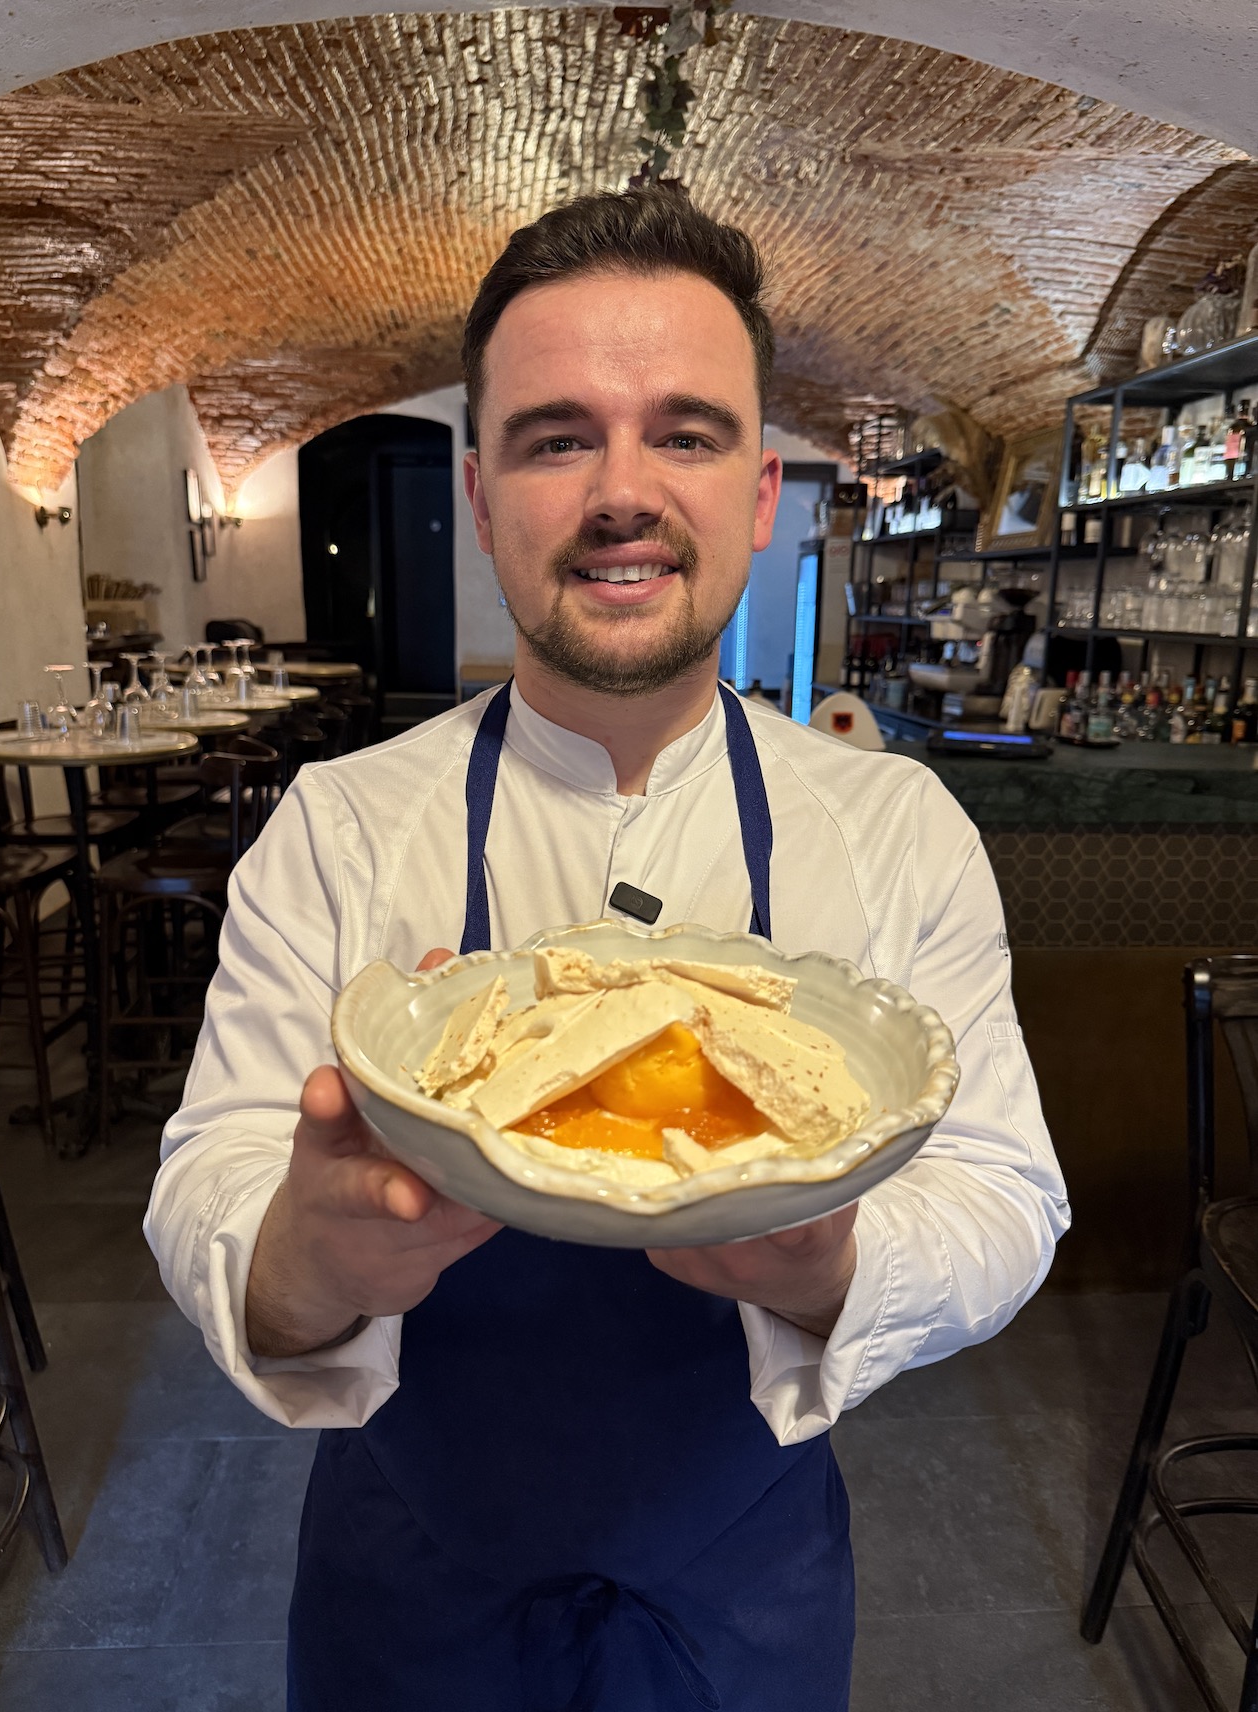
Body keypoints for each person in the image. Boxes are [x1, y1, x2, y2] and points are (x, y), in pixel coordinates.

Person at [147, 188, 1069, 1711]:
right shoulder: (338, 826)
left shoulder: (896, 831)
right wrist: (303, 1263)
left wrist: (841, 1266)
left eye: (687, 434)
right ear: (485, 490)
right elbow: (213, 1178)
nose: (621, 491)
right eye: (558, 435)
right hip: (407, 1594)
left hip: (746, 1594)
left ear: (762, 492)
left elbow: (1005, 1193)